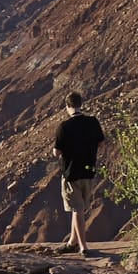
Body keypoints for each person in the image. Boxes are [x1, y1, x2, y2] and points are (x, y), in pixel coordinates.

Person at [52, 91, 105, 257]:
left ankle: (83, 247)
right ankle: (72, 242)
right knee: (80, 208)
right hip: (88, 172)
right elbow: (102, 143)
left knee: (77, 210)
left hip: (71, 173)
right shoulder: (93, 122)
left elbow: (56, 152)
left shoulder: (64, 127)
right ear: (80, 104)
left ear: (67, 106)